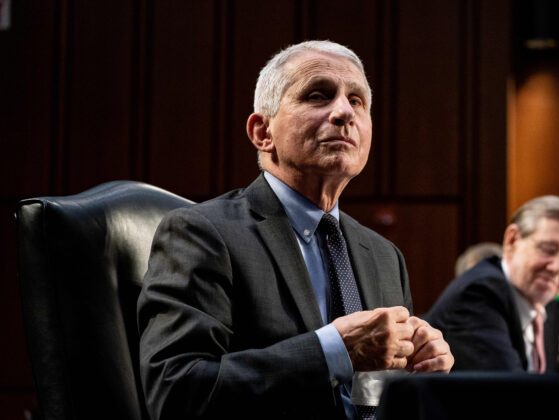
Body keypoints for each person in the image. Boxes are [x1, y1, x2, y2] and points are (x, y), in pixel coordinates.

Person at [137, 40, 453, 420]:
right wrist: (335, 351)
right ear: (262, 132)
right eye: (318, 95)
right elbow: (176, 393)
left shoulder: (384, 255)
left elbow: (373, 396)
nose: (343, 112)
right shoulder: (202, 233)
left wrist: (421, 378)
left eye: (356, 101)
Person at [425, 195, 559, 372]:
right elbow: (508, 395)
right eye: (548, 249)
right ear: (512, 240)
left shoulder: (548, 307)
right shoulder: (479, 294)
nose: (557, 267)